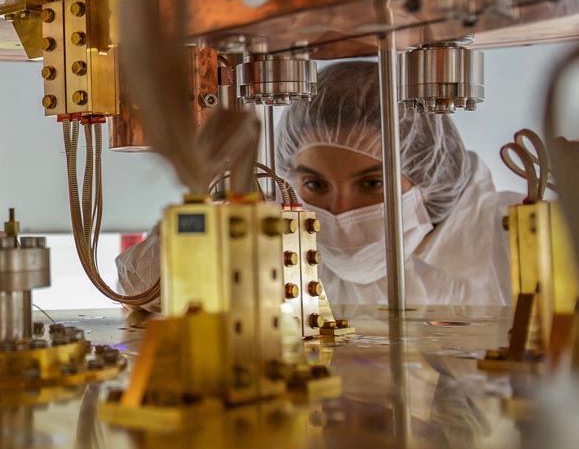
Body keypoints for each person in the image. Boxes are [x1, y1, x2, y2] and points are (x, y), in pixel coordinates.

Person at [116, 61, 516, 308]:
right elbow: (140, 287)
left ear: (430, 175)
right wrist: (210, 227)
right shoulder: (284, 236)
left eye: (372, 183)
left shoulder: (513, 242)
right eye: (316, 185)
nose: (339, 213)